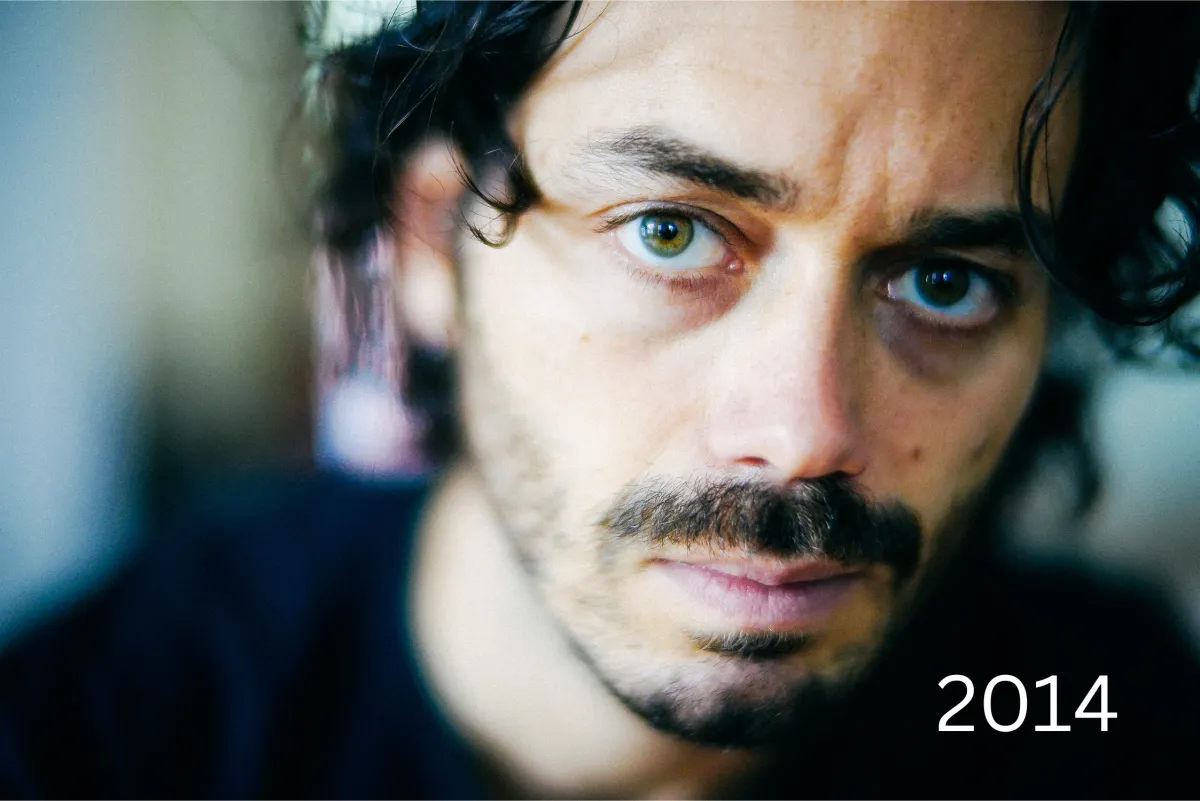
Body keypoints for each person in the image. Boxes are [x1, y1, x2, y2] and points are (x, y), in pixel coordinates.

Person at [3, 1, 1200, 798]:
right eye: (670, 232)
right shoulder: (100, 743)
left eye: (945, 282)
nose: (804, 436)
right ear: (431, 243)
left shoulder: (1084, 715)